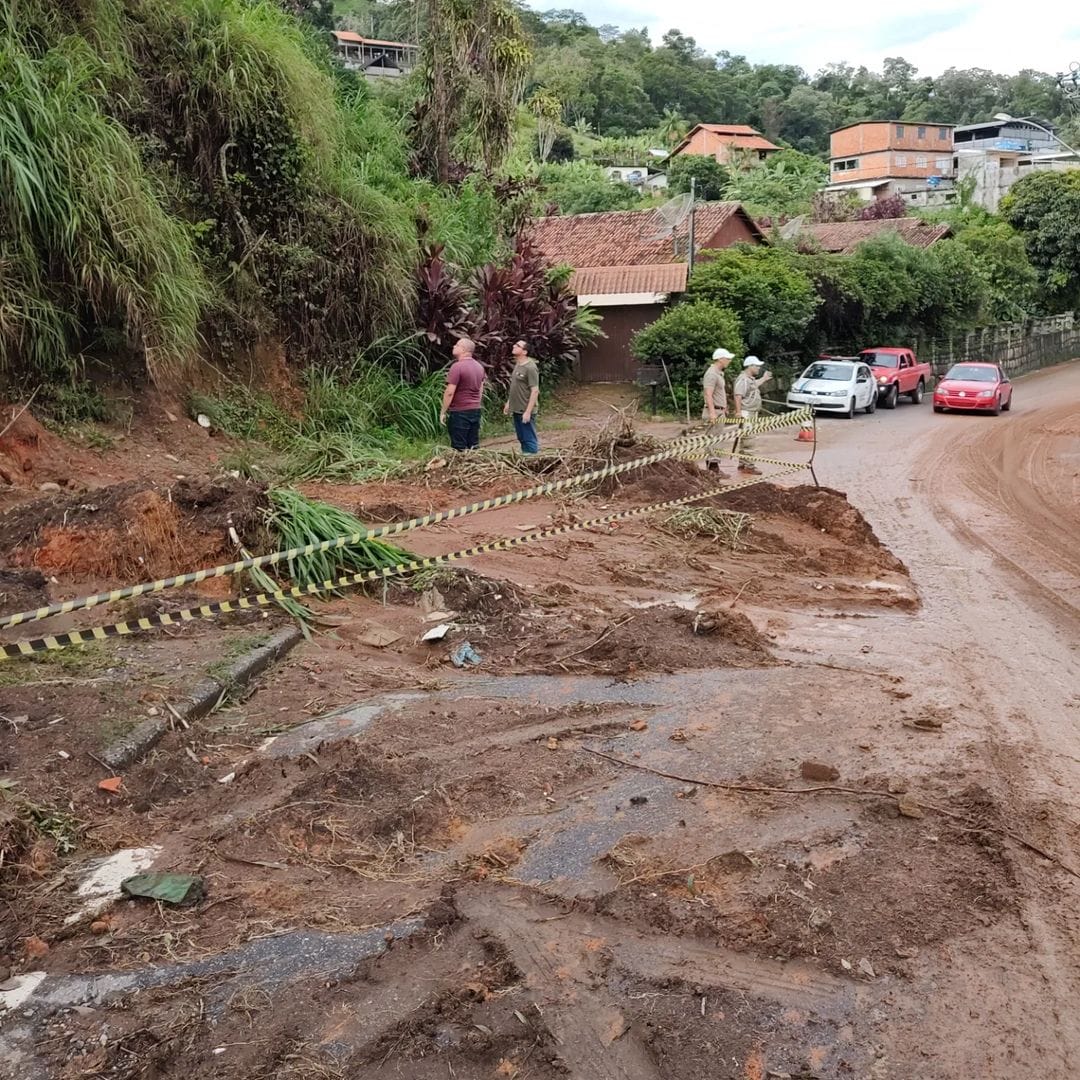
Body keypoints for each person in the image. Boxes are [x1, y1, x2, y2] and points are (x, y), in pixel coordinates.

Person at [440, 337, 486, 451]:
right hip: (475, 409)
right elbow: (480, 389)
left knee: (459, 447)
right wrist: (476, 404)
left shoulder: (457, 367)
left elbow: (449, 392)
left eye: (457, 345)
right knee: (473, 445)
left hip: (460, 412)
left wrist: (443, 411)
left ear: (464, 350)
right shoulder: (479, 367)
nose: (454, 346)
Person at [732, 355, 771, 474]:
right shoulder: (743, 379)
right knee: (749, 439)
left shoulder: (750, 379)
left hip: (751, 412)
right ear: (750, 366)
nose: (759, 368)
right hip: (747, 412)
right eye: (757, 366)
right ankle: (749, 465)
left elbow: (753, 386)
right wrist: (738, 412)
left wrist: (763, 379)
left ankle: (743, 463)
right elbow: (738, 395)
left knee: (746, 439)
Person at [503, 339, 540, 454]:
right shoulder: (518, 365)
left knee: (529, 437)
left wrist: (528, 412)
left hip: (525, 408)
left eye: (518, 345)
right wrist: (509, 402)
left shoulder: (530, 367)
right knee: (522, 437)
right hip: (517, 408)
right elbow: (515, 386)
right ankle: (525, 456)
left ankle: (532, 459)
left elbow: (535, 390)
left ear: (525, 352)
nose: (514, 346)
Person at [702, 347, 734, 472]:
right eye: (727, 358)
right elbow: (708, 394)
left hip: (719, 411)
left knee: (717, 440)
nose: (729, 361)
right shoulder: (711, 374)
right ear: (720, 359)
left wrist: (723, 407)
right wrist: (712, 412)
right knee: (712, 440)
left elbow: (718, 393)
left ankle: (715, 467)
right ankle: (712, 469)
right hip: (714, 411)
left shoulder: (719, 373)